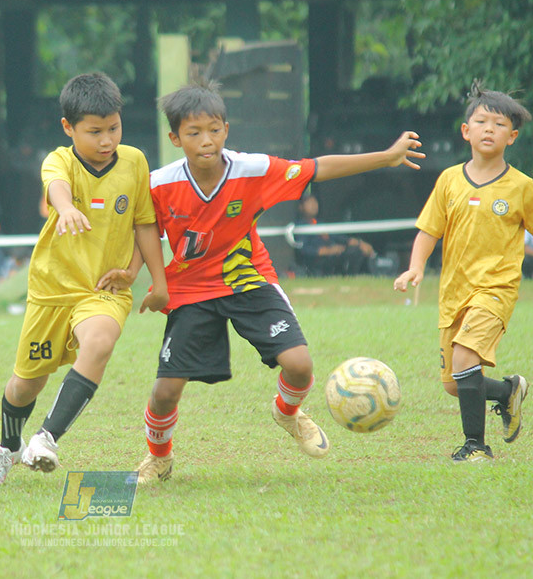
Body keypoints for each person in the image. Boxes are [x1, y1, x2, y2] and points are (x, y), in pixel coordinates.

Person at [134, 79, 425, 484]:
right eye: (194, 132)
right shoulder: (159, 183)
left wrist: (388, 157)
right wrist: (147, 278)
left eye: (214, 129)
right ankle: (159, 458)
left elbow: (318, 168)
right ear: (174, 137)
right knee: (165, 391)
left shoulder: (252, 169)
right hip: (192, 290)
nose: (206, 140)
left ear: (227, 130)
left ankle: (287, 414)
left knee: (300, 367)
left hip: (247, 280)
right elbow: (144, 231)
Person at [0, 72, 169, 488]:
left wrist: (149, 277)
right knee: (26, 384)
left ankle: (46, 438)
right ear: (69, 128)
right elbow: (57, 187)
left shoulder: (134, 162)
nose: (107, 140)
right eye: (94, 131)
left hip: (104, 289)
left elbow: (145, 224)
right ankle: (7, 448)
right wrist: (64, 208)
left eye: (113, 128)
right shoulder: (58, 159)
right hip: (51, 290)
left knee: (99, 342)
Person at [393, 81, 533, 462]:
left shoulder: (521, 187)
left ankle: (476, 447)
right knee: (456, 385)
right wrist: (414, 268)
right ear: (466, 131)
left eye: (500, 124)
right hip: (454, 294)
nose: (490, 129)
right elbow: (428, 230)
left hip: (495, 291)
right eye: (482, 121)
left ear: (513, 137)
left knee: (464, 362)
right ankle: (506, 392)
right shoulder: (449, 181)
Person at [294, 193, 376, 276]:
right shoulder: (300, 226)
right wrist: (328, 250)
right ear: (301, 207)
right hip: (317, 261)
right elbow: (304, 250)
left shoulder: (319, 223)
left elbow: (339, 237)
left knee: (356, 250)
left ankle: (350, 276)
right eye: (309, 203)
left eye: (315, 202)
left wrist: (360, 243)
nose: (314, 205)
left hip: (334, 254)